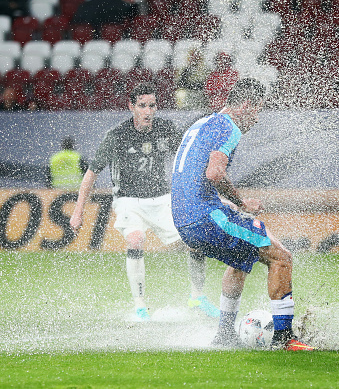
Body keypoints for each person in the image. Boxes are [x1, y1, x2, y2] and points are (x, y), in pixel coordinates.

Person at [170, 78, 314, 351]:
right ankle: (284, 340)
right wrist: (241, 202)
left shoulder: (201, 123)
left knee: (241, 258)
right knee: (281, 257)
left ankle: (224, 335)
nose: (257, 119)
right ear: (246, 105)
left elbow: (190, 175)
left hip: (184, 217)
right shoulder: (229, 126)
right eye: (258, 110)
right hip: (204, 215)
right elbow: (214, 173)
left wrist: (226, 204)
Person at [70, 82, 219, 322]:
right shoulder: (116, 135)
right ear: (131, 106)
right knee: (135, 239)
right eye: (142, 106)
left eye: (152, 105)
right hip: (128, 201)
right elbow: (91, 174)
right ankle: (140, 306)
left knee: (194, 241)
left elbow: (187, 158)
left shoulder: (166, 129)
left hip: (162, 199)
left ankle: (197, 297)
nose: (148, 111)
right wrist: (78, 212)